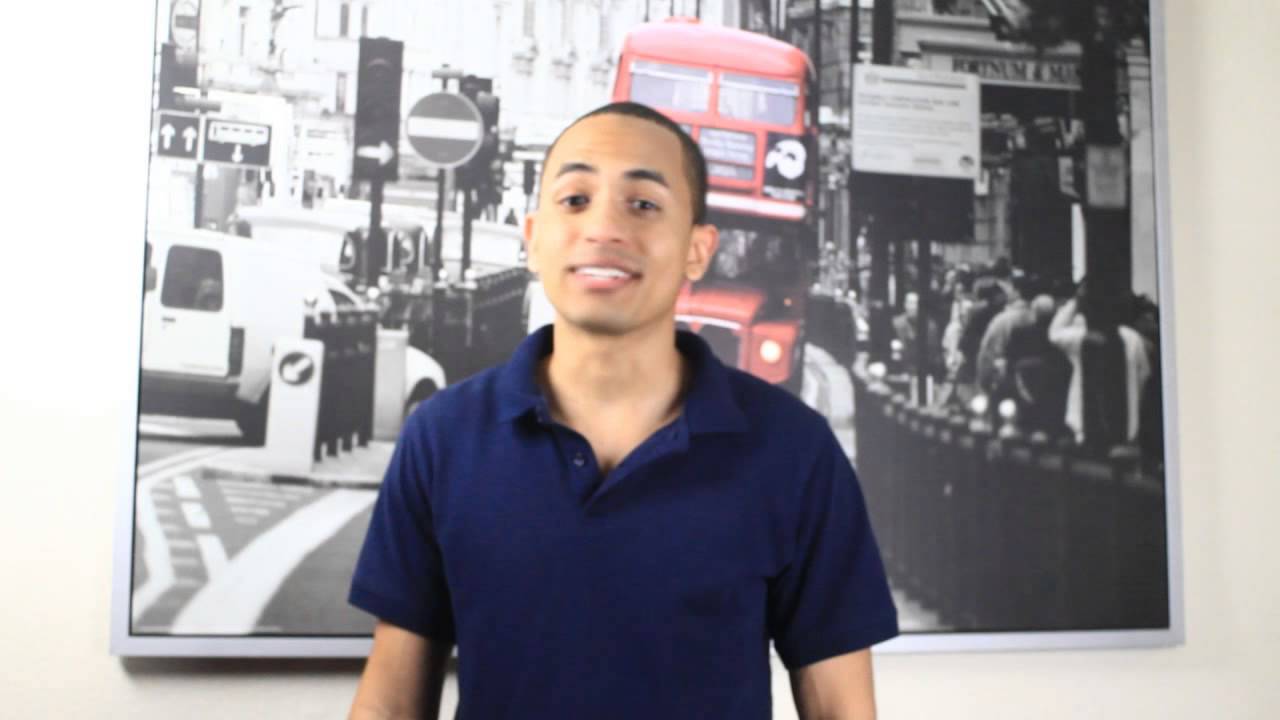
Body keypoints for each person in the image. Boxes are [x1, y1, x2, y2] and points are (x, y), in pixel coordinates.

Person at [347, 101, 899, 719]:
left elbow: (842, 709)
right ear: (533, 239)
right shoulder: (441, 437)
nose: (604, 227)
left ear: (697, 249)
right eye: (575, 200)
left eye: (643, 204)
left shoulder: (795, 450)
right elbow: (390, 703)